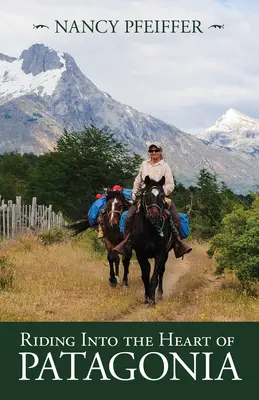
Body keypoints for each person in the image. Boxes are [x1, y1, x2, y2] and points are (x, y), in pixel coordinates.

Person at [113, 142, 192, 258]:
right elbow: (138, 180)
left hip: (161, 197)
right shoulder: (144, 164)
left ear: (160, 152)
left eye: (156, 151)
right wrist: (135, 192)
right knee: (129, 216)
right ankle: (126, 242)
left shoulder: (165, 166)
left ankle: (178, 243)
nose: (153, 153)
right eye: (151, 151)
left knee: (176, 218)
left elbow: (170, 185)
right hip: (145, 196)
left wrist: (159, 193)